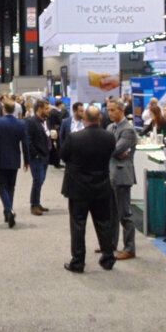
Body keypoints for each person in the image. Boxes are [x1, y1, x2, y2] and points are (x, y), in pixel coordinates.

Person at [60, 106, 117, 273]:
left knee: (78, 225)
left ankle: (78, 262)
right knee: (104, 224)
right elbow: (111, 153)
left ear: (84, 119)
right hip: (101, 187)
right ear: (100, 119)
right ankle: (108, 258)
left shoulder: (74, 137)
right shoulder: (109, 137)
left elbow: (63, 156)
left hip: (78, 189)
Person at [0, 99, 29, 228]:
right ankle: (8, 212)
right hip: (15, 159)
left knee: (1, 186)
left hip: (0, 158)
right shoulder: (21, 124)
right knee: (11, 186)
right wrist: (27, 161)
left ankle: (8, 210)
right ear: (14, 109)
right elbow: (25, 144)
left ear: (4, 109)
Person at [107, 99, 137, 260]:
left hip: (122, 176)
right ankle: (110, 244)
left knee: (124, 214)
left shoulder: (128, 130)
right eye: (108, 110)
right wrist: (112, 150)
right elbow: (109, 148)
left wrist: (113, 150)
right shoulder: (110, 127)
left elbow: (116, 149)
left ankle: (130, 248)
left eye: (113, 110)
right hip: (110, 174)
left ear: (121, 110)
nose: (110, 113)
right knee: (111, 213)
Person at [25, 99, 52, 216]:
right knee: (37, 180)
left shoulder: (45, 121)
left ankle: (37, 202)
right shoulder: (31, 122)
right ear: (40, 109)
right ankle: (34, 204)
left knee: (41, 180)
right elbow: (28, 139)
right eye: (46, 109)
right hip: (37, 157)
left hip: (45, 155)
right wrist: (34, 153)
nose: (48, 111)